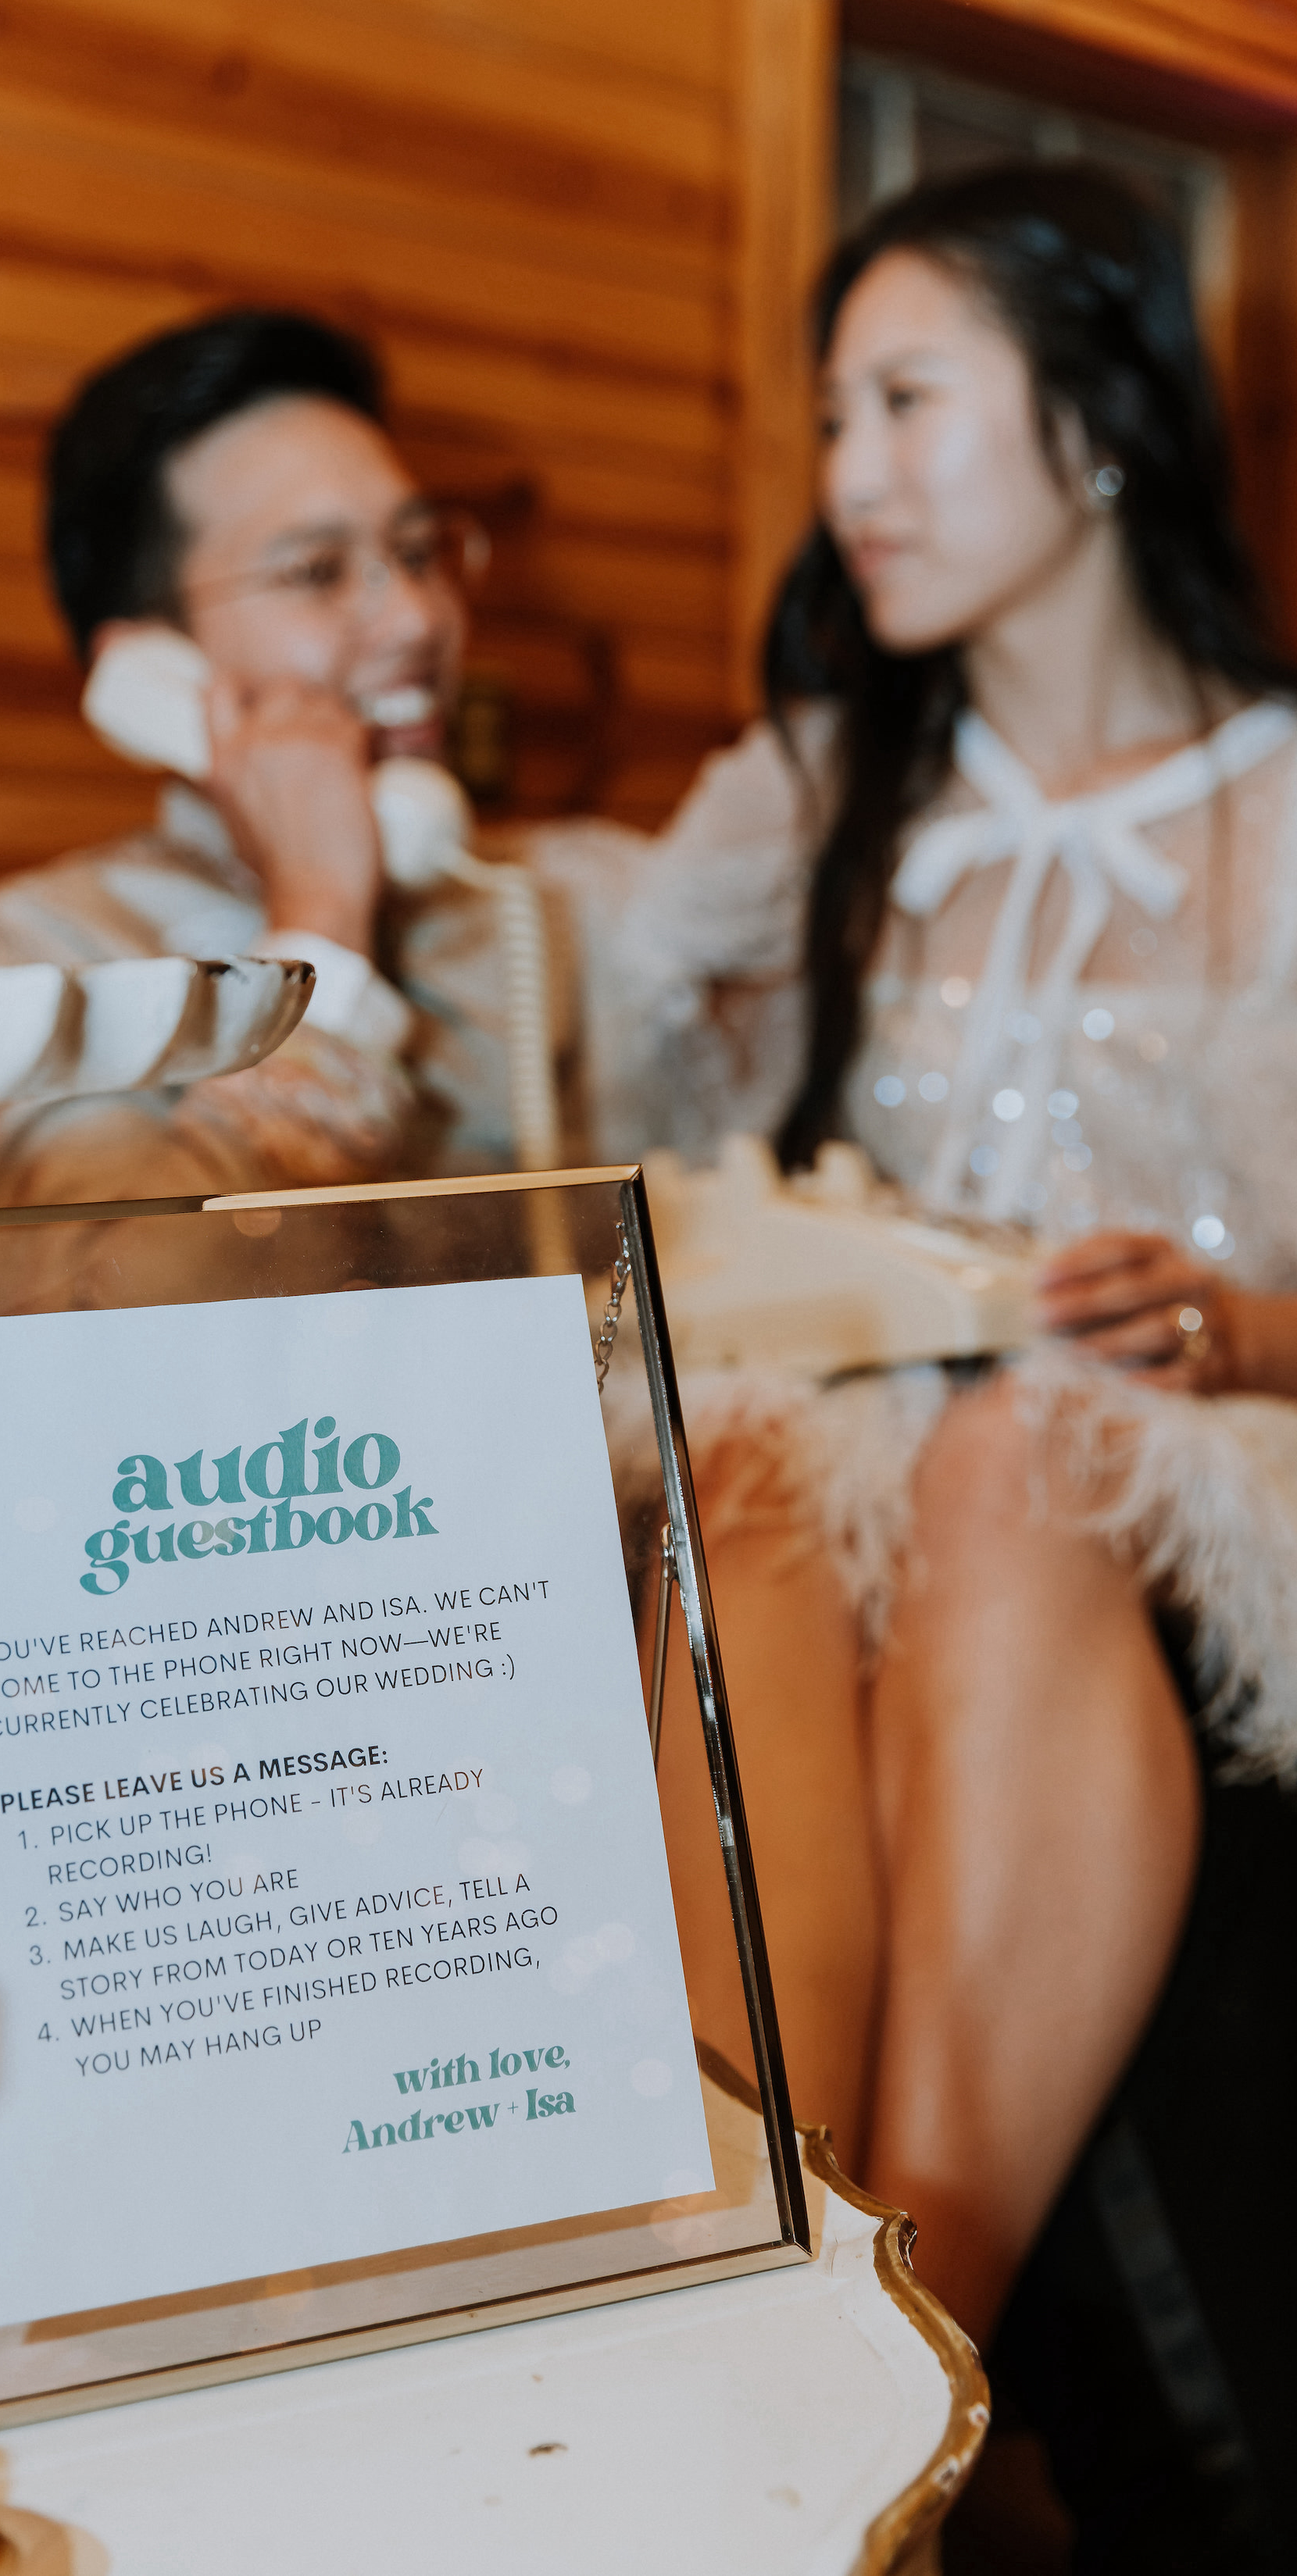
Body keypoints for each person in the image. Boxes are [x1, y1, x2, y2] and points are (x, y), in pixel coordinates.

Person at [639, 161, 1297, 2552]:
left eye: (908, 403)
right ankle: (754, 2304)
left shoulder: (1282, 802)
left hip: (1205, 1439)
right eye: (833, 418)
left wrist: (1239, 1318)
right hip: (865, 1424)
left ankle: (903, 2368)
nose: (853, 475)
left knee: (1020, 1462)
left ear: (1096, 422)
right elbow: (614, 1069)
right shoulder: (818, 789)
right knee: (746, 1473)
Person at [0, 309, 689, 1209]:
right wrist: (322, 925)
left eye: (418, 552)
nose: (418, 619)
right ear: (150, 664)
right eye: (317, 571)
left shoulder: (571, 899)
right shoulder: (34, 967)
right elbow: (115, 1291)